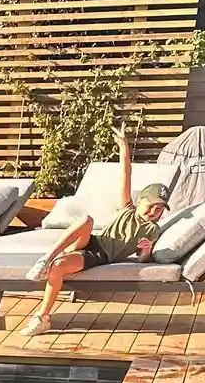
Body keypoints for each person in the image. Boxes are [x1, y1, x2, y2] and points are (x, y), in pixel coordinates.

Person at [24, 125, 168, 335]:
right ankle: (44, 260)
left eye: (160, 208)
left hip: (99, 255)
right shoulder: (127, 207)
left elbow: (142, 261)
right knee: (86, 219)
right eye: (151, 205)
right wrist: (123, 146)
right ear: (140, 201)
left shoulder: (153, 230)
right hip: (92, 241)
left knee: (58, 267)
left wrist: (146, 252)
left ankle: (42, 318)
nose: (154, 211)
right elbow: (126, 173)